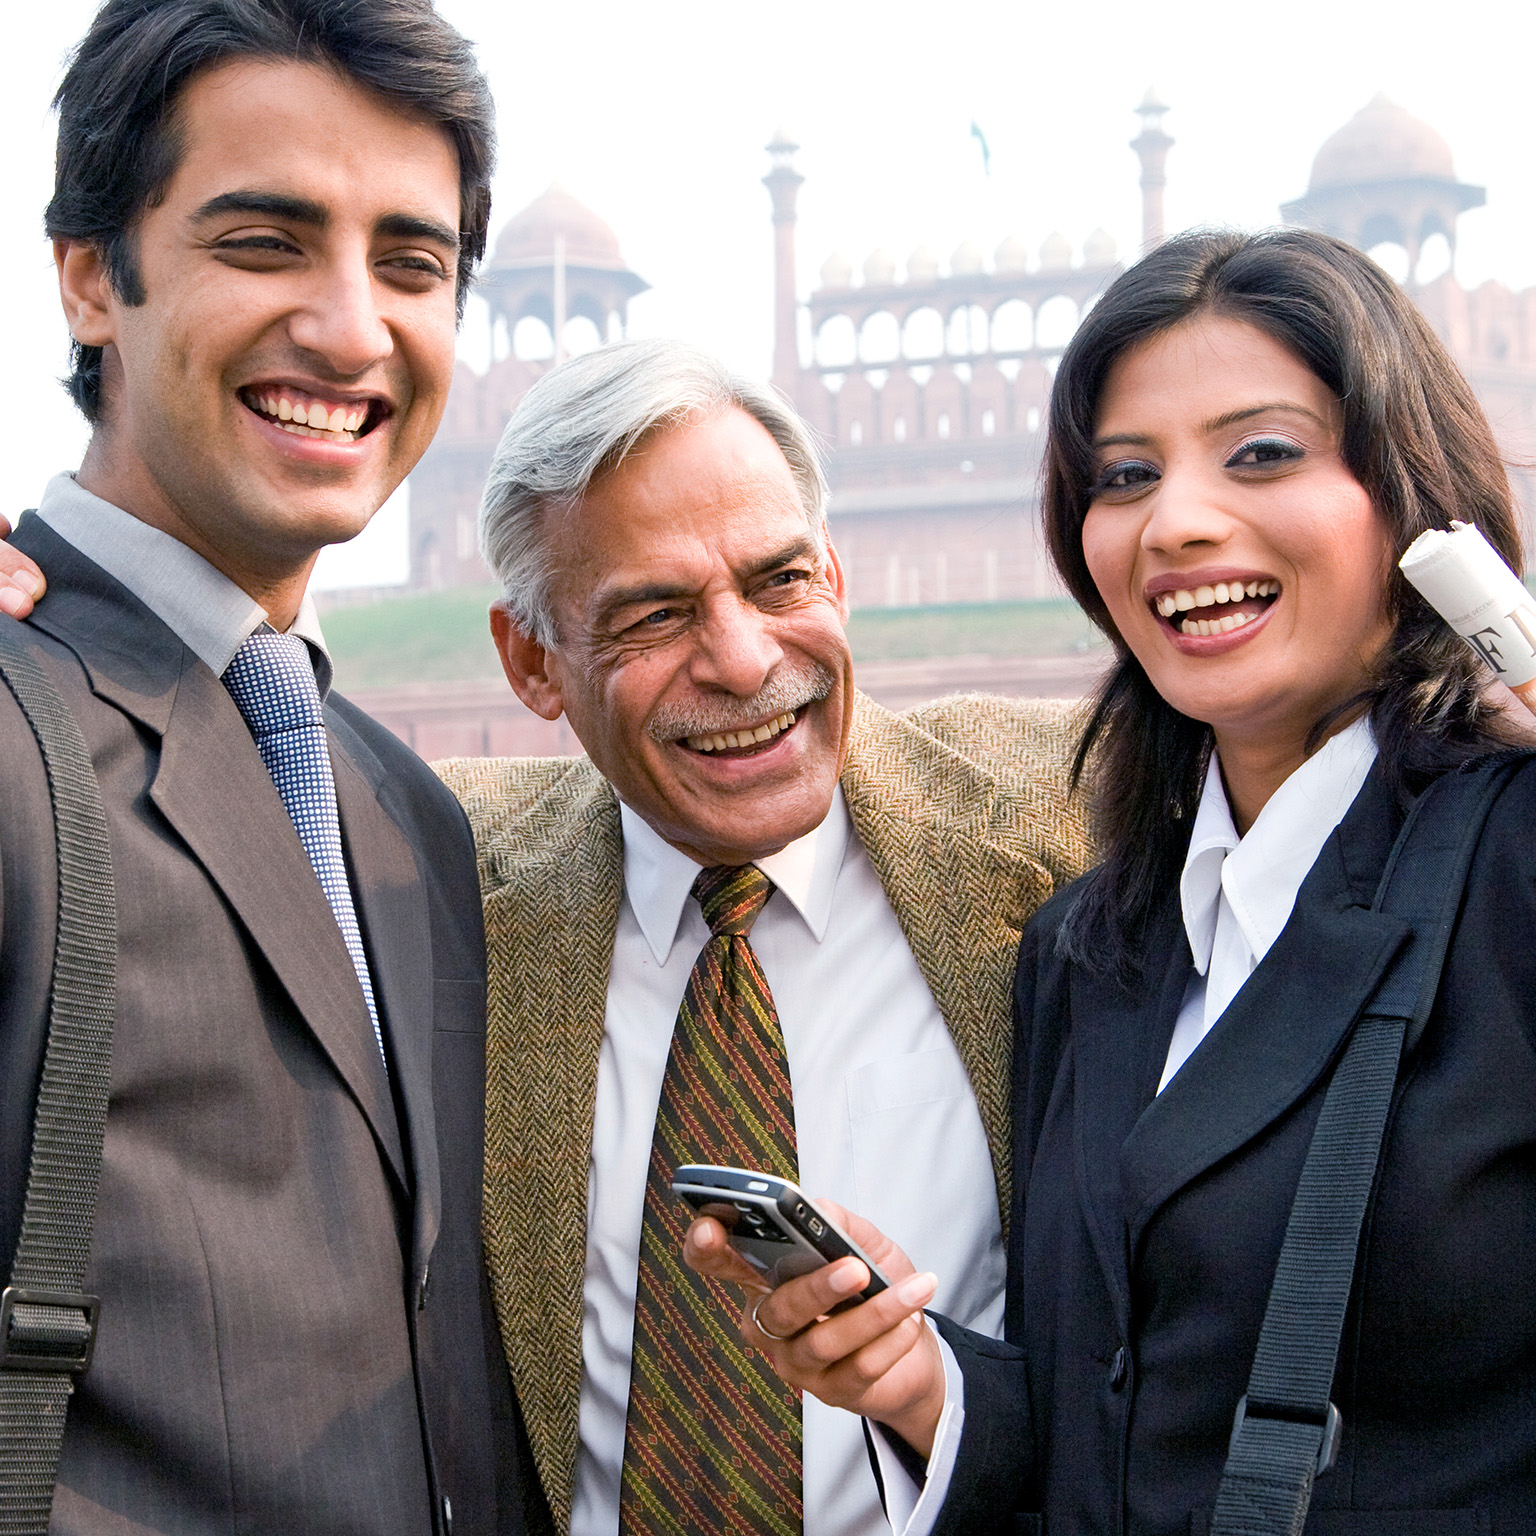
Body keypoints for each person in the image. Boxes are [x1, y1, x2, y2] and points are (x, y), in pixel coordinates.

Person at [687, 227, 1536, 1533]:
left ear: (1414, 504)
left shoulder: (1507, 865)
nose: (1178, 522)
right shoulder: (1093, 949)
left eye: (1263, 453)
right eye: (1125, 473)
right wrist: (922, 1383)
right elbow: (1116, 1435)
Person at [0, 0, 547, 1530]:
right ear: (96, 275)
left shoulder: (402, 809)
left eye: (414, 264)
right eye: (267, 241)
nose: (355, 327)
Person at [431, 337, 1092, 1536]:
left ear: (834, 574)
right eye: (654, 615)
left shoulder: (1073, 816)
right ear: (531, 660)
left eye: (781, 582)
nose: (743, 661)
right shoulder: (438, 875)